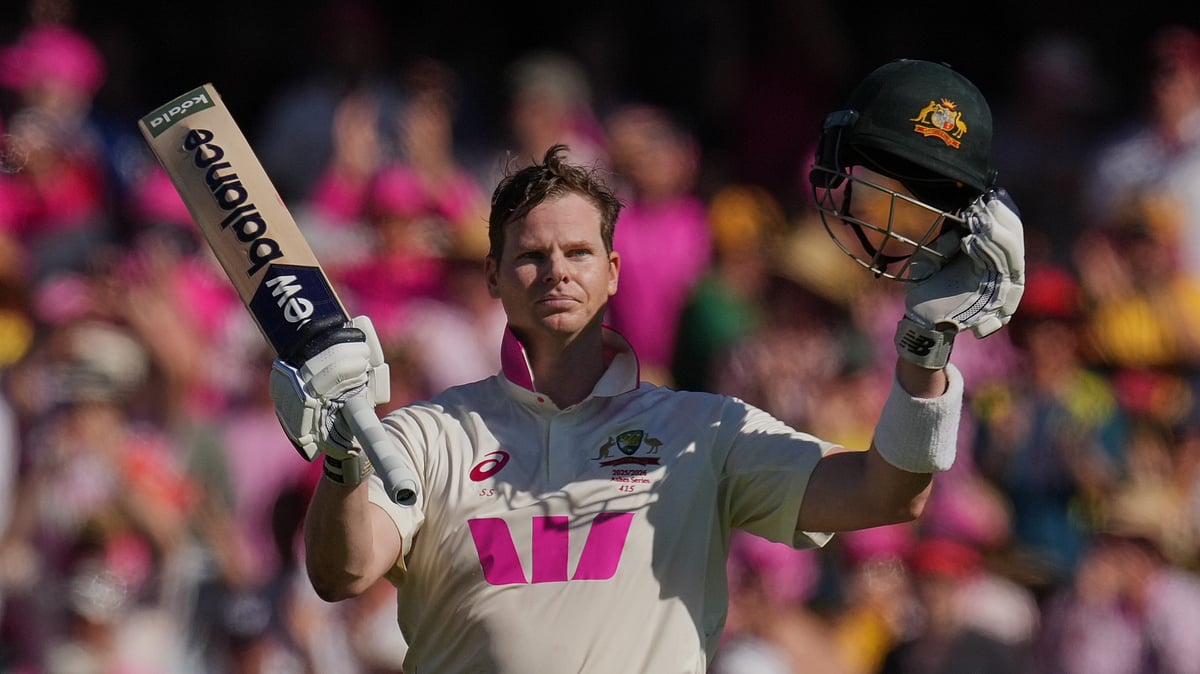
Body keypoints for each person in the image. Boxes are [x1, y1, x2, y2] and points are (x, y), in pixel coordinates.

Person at [267, 57, 1025, 672]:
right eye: (530, 257)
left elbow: (886, 494)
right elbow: (343, 573)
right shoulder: (430, 436)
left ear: (615, 273)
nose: (557, 272)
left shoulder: (702, 431)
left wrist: (925, 348)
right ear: (492, 277)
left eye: (578, 253)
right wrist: (342, 460)